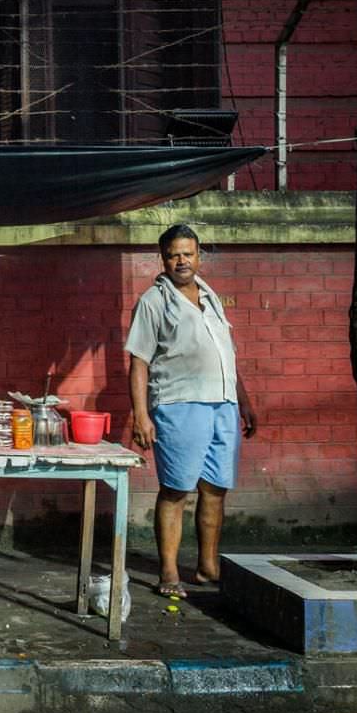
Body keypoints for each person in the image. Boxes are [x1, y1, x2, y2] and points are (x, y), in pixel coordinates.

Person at [126, 224, 258, 599]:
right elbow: (138, 362)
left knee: (215, 489)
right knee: (176, 488)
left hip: (224, 404)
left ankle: (207, 567)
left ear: (199, 256)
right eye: (174, 254)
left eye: (188, 253)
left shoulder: (211, 296)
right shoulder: (154, 301)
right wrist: (141, 415)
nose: (182, 260)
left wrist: (243, 401)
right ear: (163, 259)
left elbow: (225, 355)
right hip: (179, 404)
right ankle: (168, 571)